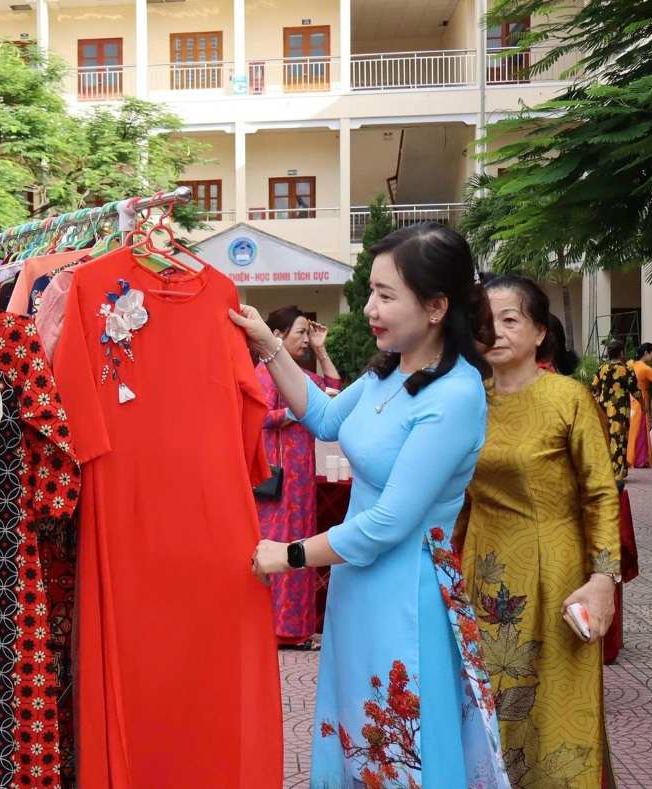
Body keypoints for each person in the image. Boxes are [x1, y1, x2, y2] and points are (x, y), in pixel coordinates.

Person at [233, 223, 509, 788]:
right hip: (358, 585)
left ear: (436, 306)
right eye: (371, 293)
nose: (369, 309)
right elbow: (325, 417)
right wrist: (265, 340)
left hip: (407, 590)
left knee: (401, 741)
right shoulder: (392, 368)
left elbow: (390, 521)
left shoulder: (454, 395)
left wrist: (287, 555)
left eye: (385, 295)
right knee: (355, 722)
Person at [460, 274, 620, 788]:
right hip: (484, 573)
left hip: (557, 571)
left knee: (556, 703)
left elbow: (601, 493)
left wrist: (604, 579)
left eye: (511, 319)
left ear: (539, 333)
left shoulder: (568, 398)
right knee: (488, 701)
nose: (497, 331)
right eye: (487, 321)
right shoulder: (466, 400)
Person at [254, 306, 340, 648]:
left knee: (301, 543)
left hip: (301, 477)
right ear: (276, 335)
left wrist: (321, 349)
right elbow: (258, 414)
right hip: (281, 477)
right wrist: (293, 413)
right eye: (300, 333)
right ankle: (279, 630)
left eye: (307, 333)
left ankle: (297, 629)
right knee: (284, 546)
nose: (305, 339)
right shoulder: (265, 371)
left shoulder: (299, 375)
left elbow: (333, 386)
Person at [590, 340, 639, 482]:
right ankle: (618, 472)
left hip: (603, 408)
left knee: (605, 438)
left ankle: (604, 472)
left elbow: (594, 387)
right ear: (622, 353)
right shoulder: (627, 369)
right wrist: (643, 405)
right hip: (620, 410)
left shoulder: (602, 368)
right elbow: (635, 391)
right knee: (619, 439)